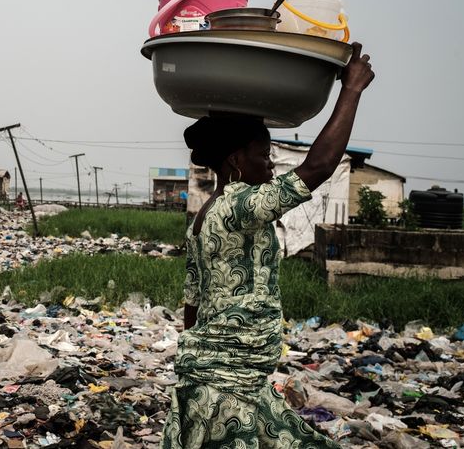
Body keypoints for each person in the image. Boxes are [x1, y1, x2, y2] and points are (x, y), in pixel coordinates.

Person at [160, 43, 374, 448]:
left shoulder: (205, 215)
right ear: (237, 160)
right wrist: (351, 91)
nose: (271, 165)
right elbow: (318, 167)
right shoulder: (241, 205)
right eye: (265, 155)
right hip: (227, 383)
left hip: (229, 376)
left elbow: (193, 305)